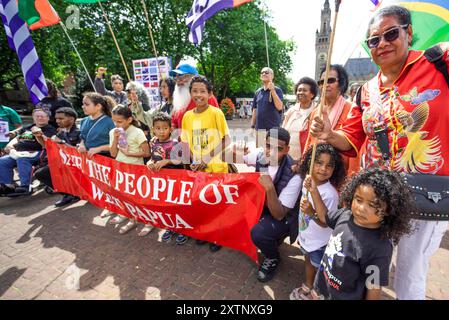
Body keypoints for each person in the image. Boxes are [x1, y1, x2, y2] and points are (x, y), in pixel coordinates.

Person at [309, 5, 449, 300]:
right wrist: (328, 135)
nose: (382, 43)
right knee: (365, 261)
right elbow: (351, 138)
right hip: (373, 199)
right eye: (374, 40)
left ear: (409, 33)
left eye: (391, 34)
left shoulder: (439, 62)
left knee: (409, 274)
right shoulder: (366, 91)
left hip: (423, 198)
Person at [304, 168, 413, 300]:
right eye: (359, 199)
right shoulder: (345, 215)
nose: (361, 208)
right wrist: (314, 191)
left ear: (390, 209)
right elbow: (324, 216)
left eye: (372, 205)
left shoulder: (380, 247)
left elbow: (373, 287)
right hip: (321, 290)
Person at [235, 127, 301, 282]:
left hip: (283, 218)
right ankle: (270, 239)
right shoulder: (260, 156)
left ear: (287, 150)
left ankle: (273, 257)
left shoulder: (294, 175)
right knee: (234, 211)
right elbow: (229, 157)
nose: (271, 152)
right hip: (263, 209)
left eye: (278, 148)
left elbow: (279, 214)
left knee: (259, 233)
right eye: (268, 146)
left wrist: (270, 188)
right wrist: (237, 150)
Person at [289, 143, 346, 300]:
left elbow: (327, 222)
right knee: (307, 261)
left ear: (334, 169)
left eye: (329, 165)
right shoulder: (306, 182)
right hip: (308, 237)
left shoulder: (330, 194)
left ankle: (317, 292)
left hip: (321, 243)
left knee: (321, 270)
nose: (323, 169)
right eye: (319, 163)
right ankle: (308, 285)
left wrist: (312, 213)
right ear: (310, 162)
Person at [181, 75, 231, 252]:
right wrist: (192, 162)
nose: (198, 94)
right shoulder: (187, 116)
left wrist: (206, 159)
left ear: (210, 94)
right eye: (195, 91)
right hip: (198, 169)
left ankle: (218, 236)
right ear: (190, 93)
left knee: (216, 204)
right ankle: (207, 233)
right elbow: (186, 142)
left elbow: (227, 140)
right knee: (203, 203)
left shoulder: (216, 113)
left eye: (203, 91)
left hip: (216, 168)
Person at [304, 65, 361, 176]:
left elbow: (353, 149)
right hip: (314, 173)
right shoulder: (316, 112)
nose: (325, 85)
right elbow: (310, 142)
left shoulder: (352, 110)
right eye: (321, 82)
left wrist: (330, 135)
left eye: (330, 80)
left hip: (339, 175)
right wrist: (305, 167)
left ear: (341, 84)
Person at [106, 105, 151, 233]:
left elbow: (147, 153)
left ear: (129, 119)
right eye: (114, 121)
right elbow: (113, 154)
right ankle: (131, 218)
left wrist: (130, 154)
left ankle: (149, 221)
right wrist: (115, 139)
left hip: (136, 171)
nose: (116, 124)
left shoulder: (137, 132)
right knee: (125, 197)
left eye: (120, 121)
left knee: (140, 199)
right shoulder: (113, 132)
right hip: (121, 171)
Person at [147, 112, 186, 242]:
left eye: (165, 128)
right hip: (160, 182)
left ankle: (183, 229)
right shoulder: (153, 142)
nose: (162, 131)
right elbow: (152, 158)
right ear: (153, 129)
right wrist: (149, 163)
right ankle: (170, 226)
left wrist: (167, 161)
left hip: (176, 182)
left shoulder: (175, 143)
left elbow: (183, 161)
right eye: (158, 128)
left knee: (178, 206)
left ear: (171, 129)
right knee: (166, 206)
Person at [0, 108, 56, 196]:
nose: (40, 118)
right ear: (33, 118)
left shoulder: (49, 129)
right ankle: (8, 185)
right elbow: (17, 138)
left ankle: (25, 186)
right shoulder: (28, 128)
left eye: (42, 116)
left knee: (22, 159)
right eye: (37, 116)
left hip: (38, 152)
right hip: (19, 152)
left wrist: (39, 135)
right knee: (3, 161)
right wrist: (10, 146)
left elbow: (47, 143)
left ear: (48, 118)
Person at [33, 107, 81, 207]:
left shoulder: (79, 131)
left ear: (71, 119)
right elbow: (47, 147)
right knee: (40, 174)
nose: (57, 121)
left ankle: (77, 192)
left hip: (78, 164)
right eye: (56, 119)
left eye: (61, 118)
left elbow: (80, 151)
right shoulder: (62, 131)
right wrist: (39, 137)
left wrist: (61, 142)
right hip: (62, 162)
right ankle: (68, 194)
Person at [170, 64, 219, 130]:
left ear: (193, 78)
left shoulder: (207, 98)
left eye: (182, 77)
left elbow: (216, 123)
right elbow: (174, 123)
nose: (178, 81)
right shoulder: (179, 101)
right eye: (175, 77)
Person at [281, 77, 318, 161]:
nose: (300, 93)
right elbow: (282, 132)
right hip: (287, 159)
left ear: (312, 94)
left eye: (304, 90)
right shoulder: (291, 111)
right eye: (299, 90)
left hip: (307, 160)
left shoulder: (317, 112)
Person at [77, 93, 115, 158]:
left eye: (87, 104)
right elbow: (83, 138)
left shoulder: (110, 122)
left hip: (106, 159)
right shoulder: (84, 120)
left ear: (98, 106)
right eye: (83, 104)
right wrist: (82, 145)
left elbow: (117, 144)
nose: (83, 107)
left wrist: (99, 148)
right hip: (88, 158)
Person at [251, 67, 284, 131]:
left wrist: (272, 90)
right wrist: (252, 125)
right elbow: (255, 110)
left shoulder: (277, 90)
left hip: (273, 128)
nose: (264, 74)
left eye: (266, 72)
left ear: (272, 76)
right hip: (260, 128)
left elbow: (280, 107)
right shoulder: (258, 92)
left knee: (273, 141)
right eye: (262, 73)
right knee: (260, 141)